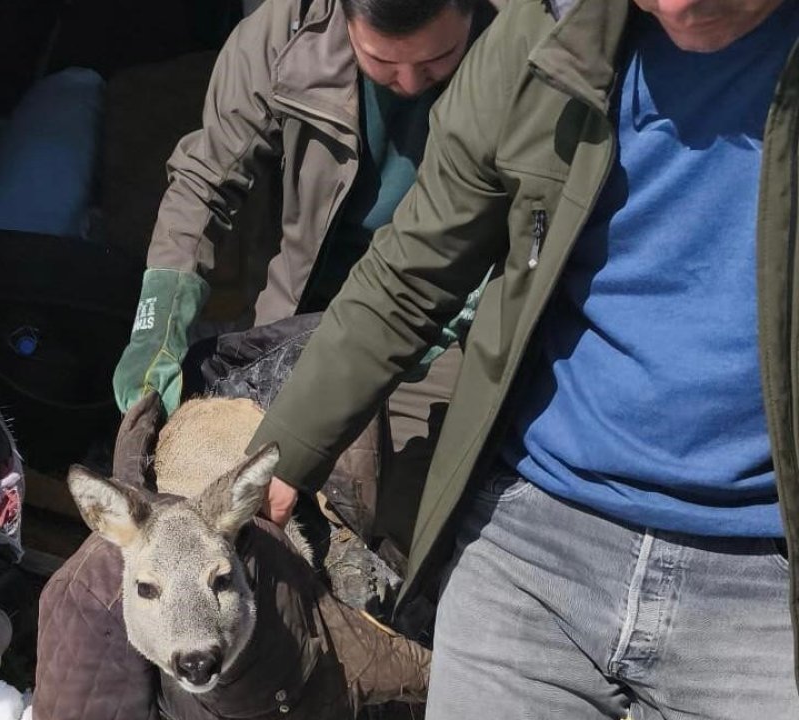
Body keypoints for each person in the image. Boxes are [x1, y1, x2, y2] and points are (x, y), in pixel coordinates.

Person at [249, 0, 799, 716]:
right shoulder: (549, 31)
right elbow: (415, 267)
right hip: (536, 542)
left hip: (763, 583)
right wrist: (280, 455)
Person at [111, 0, 495, 421]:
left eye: (437, 59)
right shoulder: (289, 29)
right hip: (297, 310)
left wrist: (465, 304)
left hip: (437, 329)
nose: (407, 82)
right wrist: (157, 326)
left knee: (402, 468)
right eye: (381, 60)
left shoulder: (519, 41)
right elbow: (204, 182)